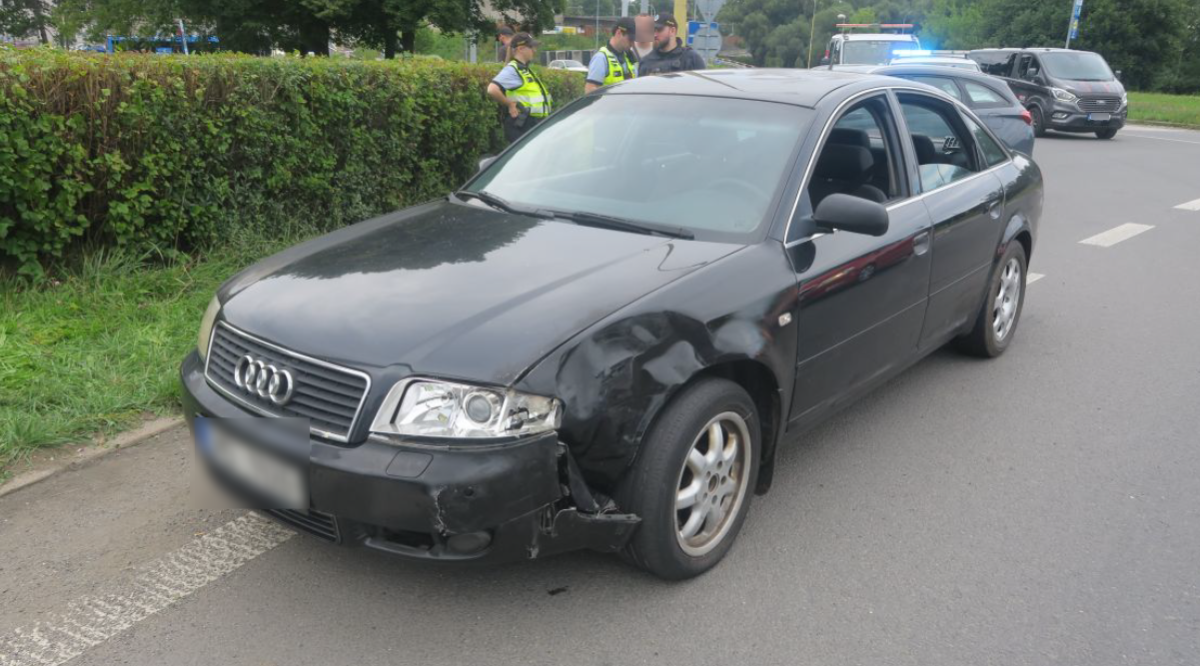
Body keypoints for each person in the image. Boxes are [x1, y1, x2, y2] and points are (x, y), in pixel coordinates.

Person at [487, 33, 553, 144]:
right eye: (532, 47)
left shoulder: (524, 69)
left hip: (531, 124)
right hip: (522, 125)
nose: (535, 51)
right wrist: (510, 104)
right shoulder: (513, 69)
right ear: (521, 48)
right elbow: (492, 89)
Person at [638, 13, 707, 76]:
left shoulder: (691, 59)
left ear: (672, 31)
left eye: (659, 30)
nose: (655, 35)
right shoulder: (646, 61)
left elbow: (702, 86)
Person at [585, 17, 638, 93]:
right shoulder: (601, 58)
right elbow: (589, 90)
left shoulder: (630, 58)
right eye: (630, 39)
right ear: (619, 32)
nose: (633, 43)